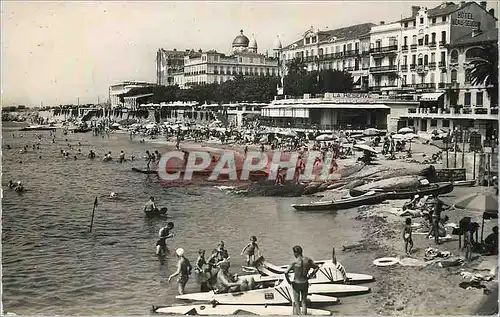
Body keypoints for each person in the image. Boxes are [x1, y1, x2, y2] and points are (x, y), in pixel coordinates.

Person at [284, 245, 320, 315]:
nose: (294, 254)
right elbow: (316, 267)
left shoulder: (294, 262)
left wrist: (289, 281)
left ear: (296, 253)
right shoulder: (308, 260)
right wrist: (310, 275)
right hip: (305, 282)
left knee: (297, 303)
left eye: (294, 253)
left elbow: (286, 272)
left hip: (296, 283)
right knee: (304, 302)